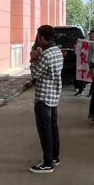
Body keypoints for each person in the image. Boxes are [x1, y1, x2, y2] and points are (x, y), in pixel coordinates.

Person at [29, 25, 64, 174]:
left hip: (43, 97)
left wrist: (33, 58)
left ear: (42, 37)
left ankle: (47, 163)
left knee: (45, 131)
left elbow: (35, 73)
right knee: (52, 128)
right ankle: (55, 157)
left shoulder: (45, 55)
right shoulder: (56, 51)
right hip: (54, 96)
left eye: (38, 36)